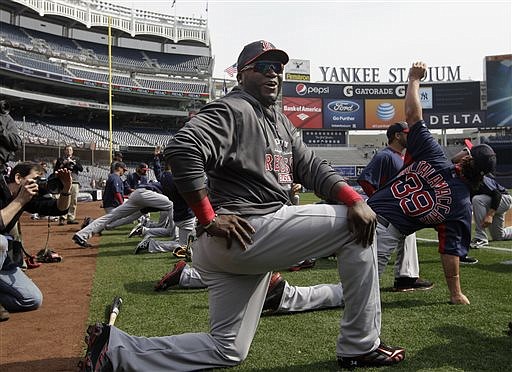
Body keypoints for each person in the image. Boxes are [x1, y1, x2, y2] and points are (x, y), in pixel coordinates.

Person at [80, 40, 405, 371]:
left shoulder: (279, 120)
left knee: (228, 349)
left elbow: (310, 166)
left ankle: (115, 350)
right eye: (264, 68)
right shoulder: (234, 109)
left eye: (278, 68)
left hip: (237, 243)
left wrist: (350, 195)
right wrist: (207, 218)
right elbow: (181, 149)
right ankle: (360, 345)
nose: (274, 74)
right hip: (247, 228)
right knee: (354, 225)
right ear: (242, 74)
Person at [367, 62, 497, 305]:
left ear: (467, 159)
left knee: (342, 285)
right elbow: (450, 253)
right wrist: (455, 293)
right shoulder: (461, 206)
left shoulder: (434, 155)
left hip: (362, 213)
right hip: (384, 233)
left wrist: (414, 79)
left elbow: (413, 116)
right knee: (352, 292)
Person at [358, 122, 433, 292]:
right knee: (376, 252)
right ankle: (402, 278)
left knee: (408, 234)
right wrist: (378, 201)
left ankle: (406, 278)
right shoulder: (384, 155)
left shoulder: (400, 157)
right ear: (397, 135)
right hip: (386, 213)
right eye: (407, 133)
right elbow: (365, 179)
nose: (410, 137)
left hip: (398, 211)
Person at [0, 162, 72, 319]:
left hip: (3, 259)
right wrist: (20, 200)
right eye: (36, 179)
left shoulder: (27, 197)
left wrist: (66, 189)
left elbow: (59, 209)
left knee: (32, 299)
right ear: (19, 178)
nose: (39, 184)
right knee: (1, 242)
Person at [470, 174, 512, 247]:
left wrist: (490, 215)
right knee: (498, 236)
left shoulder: (479, 178)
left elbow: (497, 194)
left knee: (477, 200)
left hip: (503, 199)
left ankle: (480, 237)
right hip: (491, 202)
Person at [54, 145, 83, 225]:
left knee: (73, 201)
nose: (69, 151)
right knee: (64, 200)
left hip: (74, 181)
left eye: (70, 150)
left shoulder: (76, 159)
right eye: (67, 150)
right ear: (64, 151)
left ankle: (71, 218)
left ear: (72, 151)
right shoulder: (60, 159)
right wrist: (63, 163)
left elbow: (81, 169)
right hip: (64, 182)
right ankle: (63, 218)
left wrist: (73, 163)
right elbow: (56, 170)